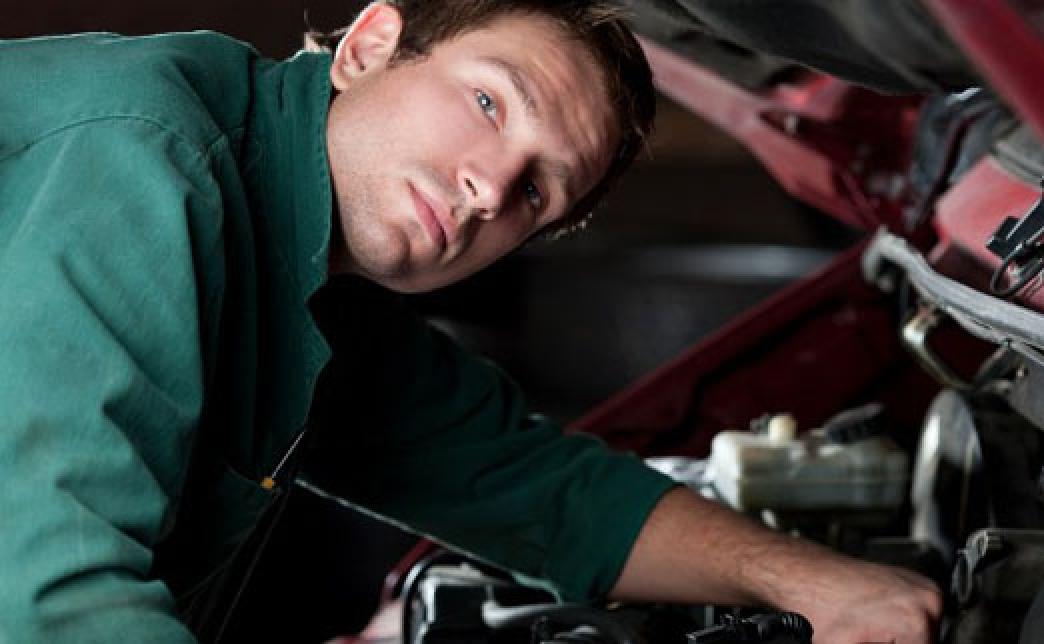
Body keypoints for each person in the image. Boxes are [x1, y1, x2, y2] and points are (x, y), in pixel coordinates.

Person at [0, 1, 941, 642]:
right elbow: (52, 602)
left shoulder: (306, 266)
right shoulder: (144, 166)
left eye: (536, 191)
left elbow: (535, 489)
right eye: (488, 103)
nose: (490, 187)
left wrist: (818, 583)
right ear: (368, 46)